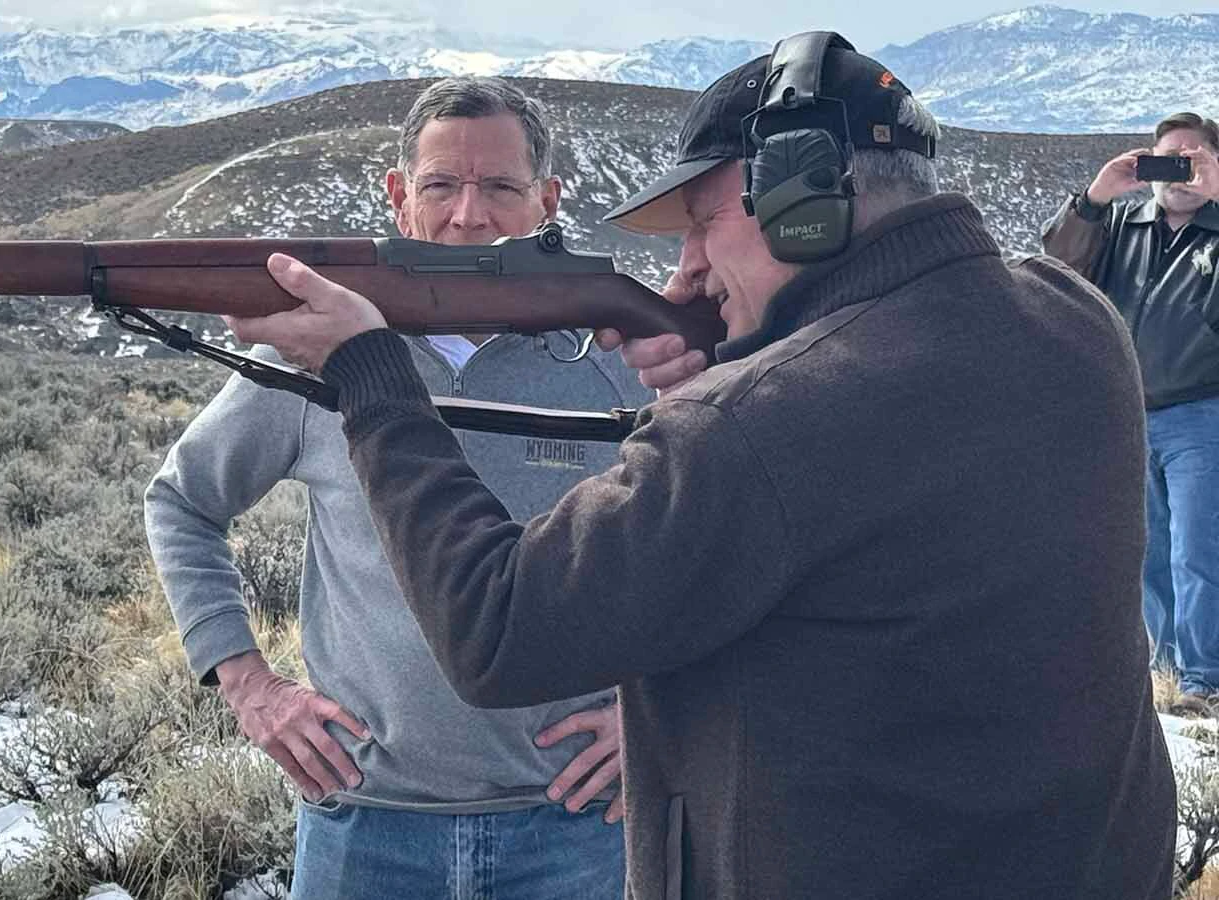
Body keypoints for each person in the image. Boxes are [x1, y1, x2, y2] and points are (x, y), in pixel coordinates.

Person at [227, 33, 1176, 900]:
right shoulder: (1071, 317)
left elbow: (499, 628)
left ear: (801, 199)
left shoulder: (762, 424)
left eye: (701, 221)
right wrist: (742, 347)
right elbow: (869, 452)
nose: (681, 270)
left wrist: (370, 375)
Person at [145, 76, 648, 899]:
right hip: (365, 825)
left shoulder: (624, 359)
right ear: (397, 196)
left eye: (500, 188)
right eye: (441, 184)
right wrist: (249, 685)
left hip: (576, 827)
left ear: (548, 201)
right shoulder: (317, 354)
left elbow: (698, 550)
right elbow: (182, 501)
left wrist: (653, 715)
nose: (468, 215)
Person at [1042, 113, 1219, 716]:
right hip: (1128, 411)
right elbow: (1059, 263)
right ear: (1148, 167)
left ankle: (1204, 678)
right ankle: (1165, 673)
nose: (1181, 173)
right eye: (1169, 159)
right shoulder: (1123, 223)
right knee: (1145, 548)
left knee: (1197, 547)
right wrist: (1095, 196)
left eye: (1194, 159)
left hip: (1202, 411)